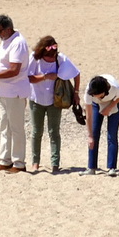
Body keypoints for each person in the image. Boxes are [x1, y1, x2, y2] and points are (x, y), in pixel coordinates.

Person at [0, 15, 31, 172]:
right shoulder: (6, 41)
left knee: (16, 128)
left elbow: (15, 70)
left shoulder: (18, 43)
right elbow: (2, 63)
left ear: (8, 29)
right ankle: (5, 160)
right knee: (4, 127)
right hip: (3, 91)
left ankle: (19, 163)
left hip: (15, 92)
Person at [25, 36, 79, 174]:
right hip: (36, 99)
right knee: (36, 132)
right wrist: (45, 77)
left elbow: (76, 73)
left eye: (53, 56)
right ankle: (35, 162)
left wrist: (76, 93)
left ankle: (55, 163)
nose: (51, 59)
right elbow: (28, 78)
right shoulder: (34, 58)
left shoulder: (61, 58)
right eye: (48, 56)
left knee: (54, 132)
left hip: (55, 101)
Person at [82, 74, 119, 176]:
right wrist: (90, 136)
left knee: (112, 135)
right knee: (94, 134)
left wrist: (109, 107)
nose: (94, 96)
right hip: (96, 105)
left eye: (97, 94)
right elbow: (88, 114)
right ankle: (91, 167)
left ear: (104, 91)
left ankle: (112, 168)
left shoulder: (116, 88)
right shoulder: (89, 92)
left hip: (114, 102)